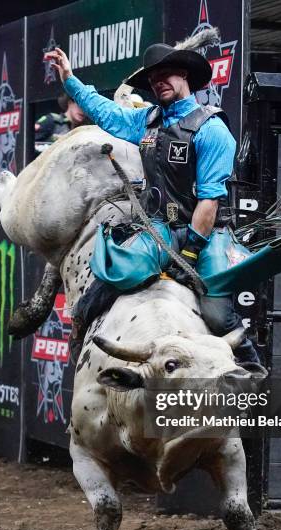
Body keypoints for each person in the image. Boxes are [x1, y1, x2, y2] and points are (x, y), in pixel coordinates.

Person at [45, 44, 259, 364]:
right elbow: (107, 112)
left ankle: (253, 373)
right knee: (99, 290)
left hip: (207, 234)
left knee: (218, 315)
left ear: (184, 75)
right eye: (154, 78)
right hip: (158, 229)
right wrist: (69, 79)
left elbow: (209, 203)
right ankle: (82, 355)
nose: (159, 82)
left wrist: (188, 252)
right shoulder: (147, 120)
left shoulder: (211, 129)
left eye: (166, 74)